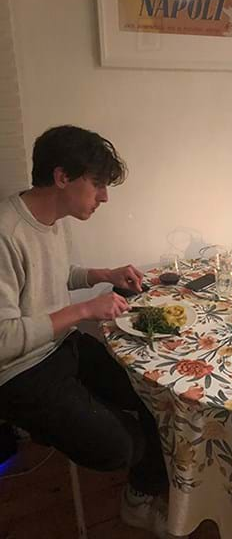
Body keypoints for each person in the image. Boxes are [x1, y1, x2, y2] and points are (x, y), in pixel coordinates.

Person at [0, 125, 169, 538]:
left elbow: (54, 276)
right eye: (97, 184)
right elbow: (3, 340)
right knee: (124, 446)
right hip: (20, 374)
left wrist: (101, 274)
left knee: (152, 393)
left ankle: (146, 492)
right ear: (62, 177)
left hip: (59, 347)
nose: (105, 197)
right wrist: (83, 310)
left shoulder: (55, 216)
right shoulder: (5, 232)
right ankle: (138, 478)